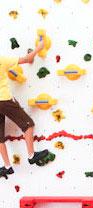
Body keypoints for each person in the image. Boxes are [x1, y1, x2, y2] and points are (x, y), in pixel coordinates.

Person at [0, 41, 49, 178]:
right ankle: (31, 155)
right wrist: (38, 48)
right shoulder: (2, 60)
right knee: (28, 124)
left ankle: (7, 166)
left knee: (0, 137)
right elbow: (27, 60)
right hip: (3, 99)